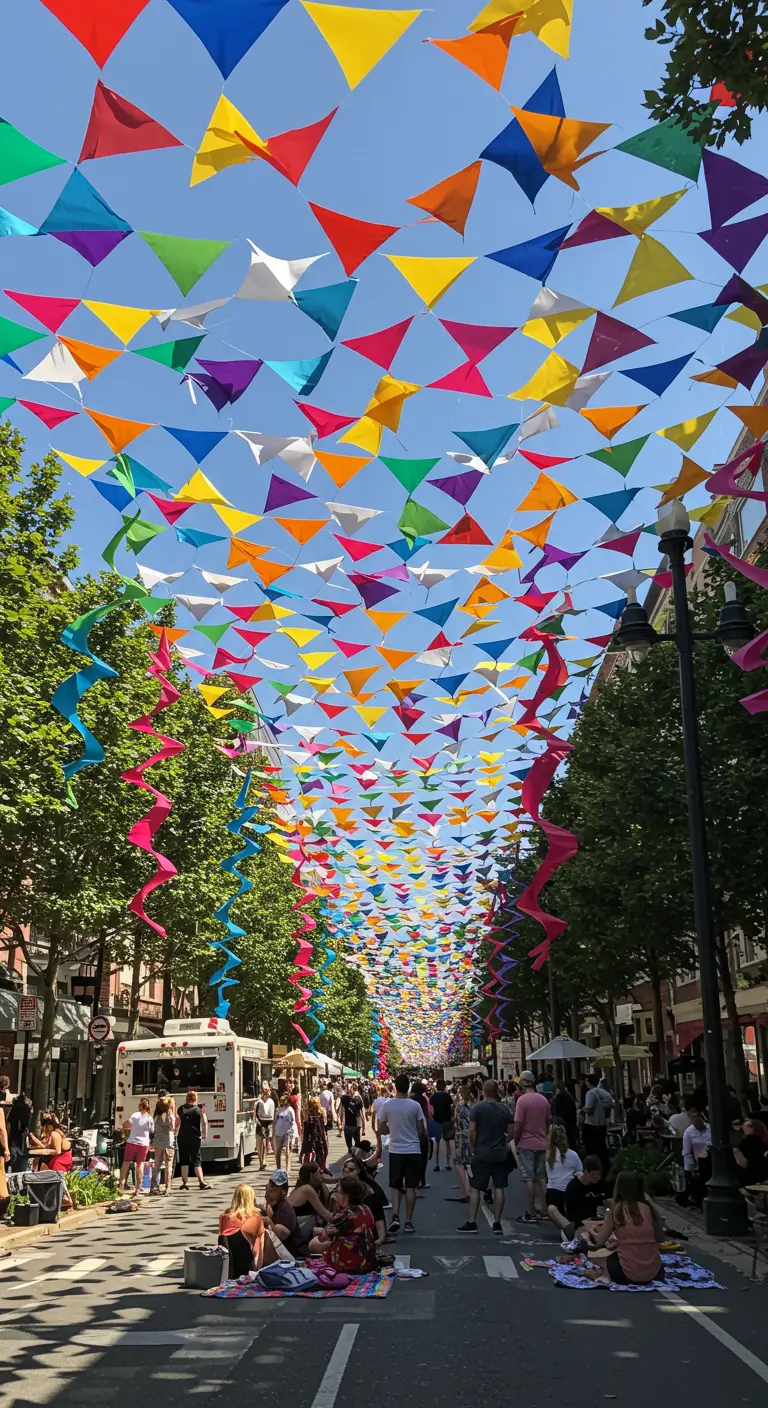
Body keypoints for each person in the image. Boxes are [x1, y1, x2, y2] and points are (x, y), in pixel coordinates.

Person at [457, 1080, 515, 1235]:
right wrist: (504, 1142)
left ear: (483, 1090)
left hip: (482, 1153)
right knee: (499, 1188)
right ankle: (497, 1223)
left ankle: (472, 1222)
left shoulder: (477, 1107)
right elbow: (511, 1132)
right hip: (500, 1154)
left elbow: (472, 1131)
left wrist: (474, 1146)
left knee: (476, 1188)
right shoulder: (504, 1109)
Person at [586, 1171, 664, 1286]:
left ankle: (602, 1275)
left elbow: (599, 1241)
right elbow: (660, 1237)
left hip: (626, 1274)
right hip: (654, 1272)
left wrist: (589, 1234)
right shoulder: (648, 1208)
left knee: (611, 1259)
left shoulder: (617, 1210)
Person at [375, 1072, 426, 1235]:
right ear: (408, 1087)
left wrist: (392, 1130)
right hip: (413, 1149)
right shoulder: (415, 1106)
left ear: (395, 1087)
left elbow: (381, 1127)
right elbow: (420, 1129)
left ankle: (395, 1216)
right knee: (411, 1187)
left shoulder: (388, 1105)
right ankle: (409, 1221)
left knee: (395, 1185)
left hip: (396, 1149)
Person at [308, 1175, 377, 1273]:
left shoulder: (346, 1214)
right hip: (368, 1262)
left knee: (314, 1243)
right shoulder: (366, 1208)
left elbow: (323, 1237)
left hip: (351, 1264)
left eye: (337, 1190)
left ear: (345, 1195)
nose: (335, 1193)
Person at [513, 1070, 551, 1223]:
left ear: (523, 1083)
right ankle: (545, 1209)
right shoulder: (544, 1100)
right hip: (542, 1142)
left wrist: (516, 1141)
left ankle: (530, 1212)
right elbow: (548, 1122)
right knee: (541, 1177)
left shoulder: (522, 1101)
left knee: (528, 1177)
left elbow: (518, 1126)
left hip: (527, 1142)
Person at [544, 1123, 583, 1239]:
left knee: (551, 1209)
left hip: (552, 1193)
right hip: (568, 1191)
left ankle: (567, 1228)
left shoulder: (547, 1155)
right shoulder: (573, 1155)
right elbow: (580, 1172)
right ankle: (570, 1229)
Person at [27, 1114, 74, 1208]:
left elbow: (57, 1151)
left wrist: (45, 1151)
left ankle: (64, 1197)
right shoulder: (51, 1134)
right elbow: (45, 1146)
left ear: (49, 1126)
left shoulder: (55, 1134)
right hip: (57, 1158)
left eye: (44, 1127)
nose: (43, 1130)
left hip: (61, 1159)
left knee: (56, 1175)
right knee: (41, 1165)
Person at [342, 1152, 388, 1246]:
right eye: (344, 1169)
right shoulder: (339, 1188)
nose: (347, 1172)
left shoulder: (369, 1191)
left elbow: (378, 1215)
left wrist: (381, 1238)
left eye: (351, 1169)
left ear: (358, 1171)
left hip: (363, 1231)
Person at [219, 1183, 264, 1277]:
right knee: (265, 1234)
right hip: (246, 1264)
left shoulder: (223, 1217)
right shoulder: (255, 1218)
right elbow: (259, 1245)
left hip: (227, 1264)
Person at [563, 1155, 610, 1237]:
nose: (597, 1178)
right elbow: (572, 1215)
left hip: (601, 1222)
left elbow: (610, 1203)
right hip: (582, 1224)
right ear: (585, 1171)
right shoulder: (573, 1187)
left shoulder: (603, 1185)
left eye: (599, 1175)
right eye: (594, 1175)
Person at [262, 1168, 303, 1261]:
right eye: (268, 1188)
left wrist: (268, 1223)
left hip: (292, 1256)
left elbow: (281, 1235)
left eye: (273, 1190)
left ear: (284, 1191)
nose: (268, 1193)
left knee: (277, 1228)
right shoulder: (271, 1206)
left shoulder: (286, 1209)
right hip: (277, 1255)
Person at [176, 1090, 210, 1190]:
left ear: (187, 1098)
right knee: (196, 1160)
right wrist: (204, 1134)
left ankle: (184, 1183)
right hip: (195, 1138)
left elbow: (177, 1122)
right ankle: (201, 1182)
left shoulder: (180, 1109)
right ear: (195, 1099)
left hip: (182, 1137)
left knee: (184, 1160)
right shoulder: (199, 1110)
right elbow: (204, 1122)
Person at [118, 1098, 153, 1195]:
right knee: (140, 1164)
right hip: (144, 1144)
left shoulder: (135, 1115)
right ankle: (138, 1189)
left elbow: (125, 1125)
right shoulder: (149, 1118)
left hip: (132, 1142)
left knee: (126, 1163)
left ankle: (121, 1186)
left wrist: (128, 1128)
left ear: (139, 1106)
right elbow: (151, 1131)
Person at [681, 1107, 712, 1207]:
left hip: (709, 1160)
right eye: (692, 1117)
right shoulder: (688, 1132)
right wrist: (692, 1168)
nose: (695, 1119)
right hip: (696, 1163)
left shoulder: (710, 1128)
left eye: (696, 1116)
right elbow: (687, 1151)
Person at [582, 1073, 614, 1169]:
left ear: (588, 1082)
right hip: (602, 1125)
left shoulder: (590, 1093)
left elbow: (590, 1109)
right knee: (601, 1148)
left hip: (591, 1125)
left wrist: (582, 1109)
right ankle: (605, 1167)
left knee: (591, 1149)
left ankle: (593, 1167)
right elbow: (608, 1111)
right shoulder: (604, 1093)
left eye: (586, 1081)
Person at [450, 1081, 473, 1203]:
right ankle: (471, 1189)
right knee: (469, 1162)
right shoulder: (474, 1105)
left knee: (459, 1163)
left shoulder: (460, 1106)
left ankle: (466, 1191)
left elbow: (456, 1120)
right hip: (472, 1135)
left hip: (461, 1136)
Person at [150, 1094, 175, 1196]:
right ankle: (167, 1188)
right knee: (168, 1165)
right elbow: (171, 1127)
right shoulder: (168, 1115)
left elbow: (153, 1130)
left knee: (157, 1165)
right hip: (168, 1142)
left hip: (158, 1142)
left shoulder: (156, 1116)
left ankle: (154, 1187)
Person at [734, 1117, 768, 1186]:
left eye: (746, 1125)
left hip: (750, 1176)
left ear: (753, 1128)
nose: (742, 1127)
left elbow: (743, 1163)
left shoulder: (747, 1142)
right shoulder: (764, 1141)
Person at [429, 1079, 454, 1172]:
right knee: (447, 1142)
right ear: (444, 1086)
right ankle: (447, 1164)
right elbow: (451, 1106)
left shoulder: (433, 1097)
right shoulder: (447, 1096)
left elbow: (431, 1110)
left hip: (437, 1121)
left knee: (437, 1142)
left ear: (436, 1087)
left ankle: (437, 1164)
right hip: (447, 1120)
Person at [300, 1095, 329, 1171]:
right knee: (321, 1152)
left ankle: (318, 1168)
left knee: (319, 1152)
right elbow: (325, 1123)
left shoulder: (318, 1112)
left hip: (316, 1135)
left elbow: (324, 1123)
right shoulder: (313, 1113)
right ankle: (320, 1168)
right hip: (316, 1135)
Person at [273, 1094, 299, 1174]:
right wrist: (273, 1132)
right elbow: (275, 1121)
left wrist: (295, 1134)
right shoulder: (279, 1110)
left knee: (288, 1149)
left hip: (288, 1132)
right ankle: (278, 1168)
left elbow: (293, 1122)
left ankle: (288, 1168)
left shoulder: (290, 1110)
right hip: (278, 1132)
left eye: (284, 1101)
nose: (283, 1102)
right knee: (278, 1151)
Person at [7, 1091, 32, 1173]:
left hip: (12, 1142)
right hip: (19, 1144)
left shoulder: (13, 1109)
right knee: (19, 1170)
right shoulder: (24, 1110)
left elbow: (9, 1125)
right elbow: (26, 1125)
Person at [339, 1080, 366, 1153]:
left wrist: (340, 1125)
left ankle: (353, 1159)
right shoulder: (358, 1099)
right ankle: (356, 1160)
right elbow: (362, 1114)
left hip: (349, 1125)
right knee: (357, 1145)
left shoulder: (344, 1098)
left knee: (350, 1147)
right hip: (356, 1125)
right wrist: (363, 1128)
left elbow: (341, 1113)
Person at [552, 1078, 579, 1150]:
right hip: (571, 1124)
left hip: (566, 1125)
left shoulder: (562, 1097)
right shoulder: (568, 1095)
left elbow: (561, 1113)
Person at [255, 1083, 275, 1171]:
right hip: (260, 1123)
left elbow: (272, 1114)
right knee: (260, 1144)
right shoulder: (258, 1102)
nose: (267, 1095)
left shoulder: (271, 1102)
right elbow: (255, 1114)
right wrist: (257, 1122)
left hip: (268, 1123)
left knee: (265, 1143)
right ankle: (261, 1163)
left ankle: (264, 1161)